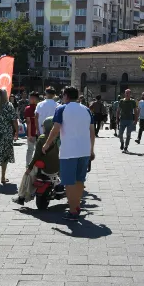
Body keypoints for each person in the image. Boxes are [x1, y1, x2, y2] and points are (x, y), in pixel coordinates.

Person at [42, 86, 94, 220]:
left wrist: (47, 144)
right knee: (79, 180)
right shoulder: (86, 109)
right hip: (84, 150)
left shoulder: (61, 109)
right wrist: (91, 149)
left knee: (69, 182)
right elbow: (92, 131)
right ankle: (76, 206)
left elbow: (55, 129)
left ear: (66, 96)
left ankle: (73, 211)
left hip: (69, 151)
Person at [16, 118, 60, 204]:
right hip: (57, 167)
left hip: (45, 167)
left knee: (27, 175)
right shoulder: (59, 138)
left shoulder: (42, 138)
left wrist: (29, 167)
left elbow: (36, 156)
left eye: (43, 126)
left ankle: (21, 196)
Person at [0, 88, 18, 187]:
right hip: (6, 134)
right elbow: (14, 120)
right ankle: (3, 177)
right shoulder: (9, 106)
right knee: (5, 156)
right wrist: (16, 131)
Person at [22, 92, 39, 166]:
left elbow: (29, 122)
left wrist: (29, 135)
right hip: (36, 133)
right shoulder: (29, 108)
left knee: (30, 150)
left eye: (31, 98)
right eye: (29, 98)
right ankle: (30, 165)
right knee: (34, 150)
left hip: (35, 133)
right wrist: (29, 135)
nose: (30, 99)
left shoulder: (30, 108)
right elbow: (28, 122)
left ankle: (29, 166)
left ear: (36, 99)